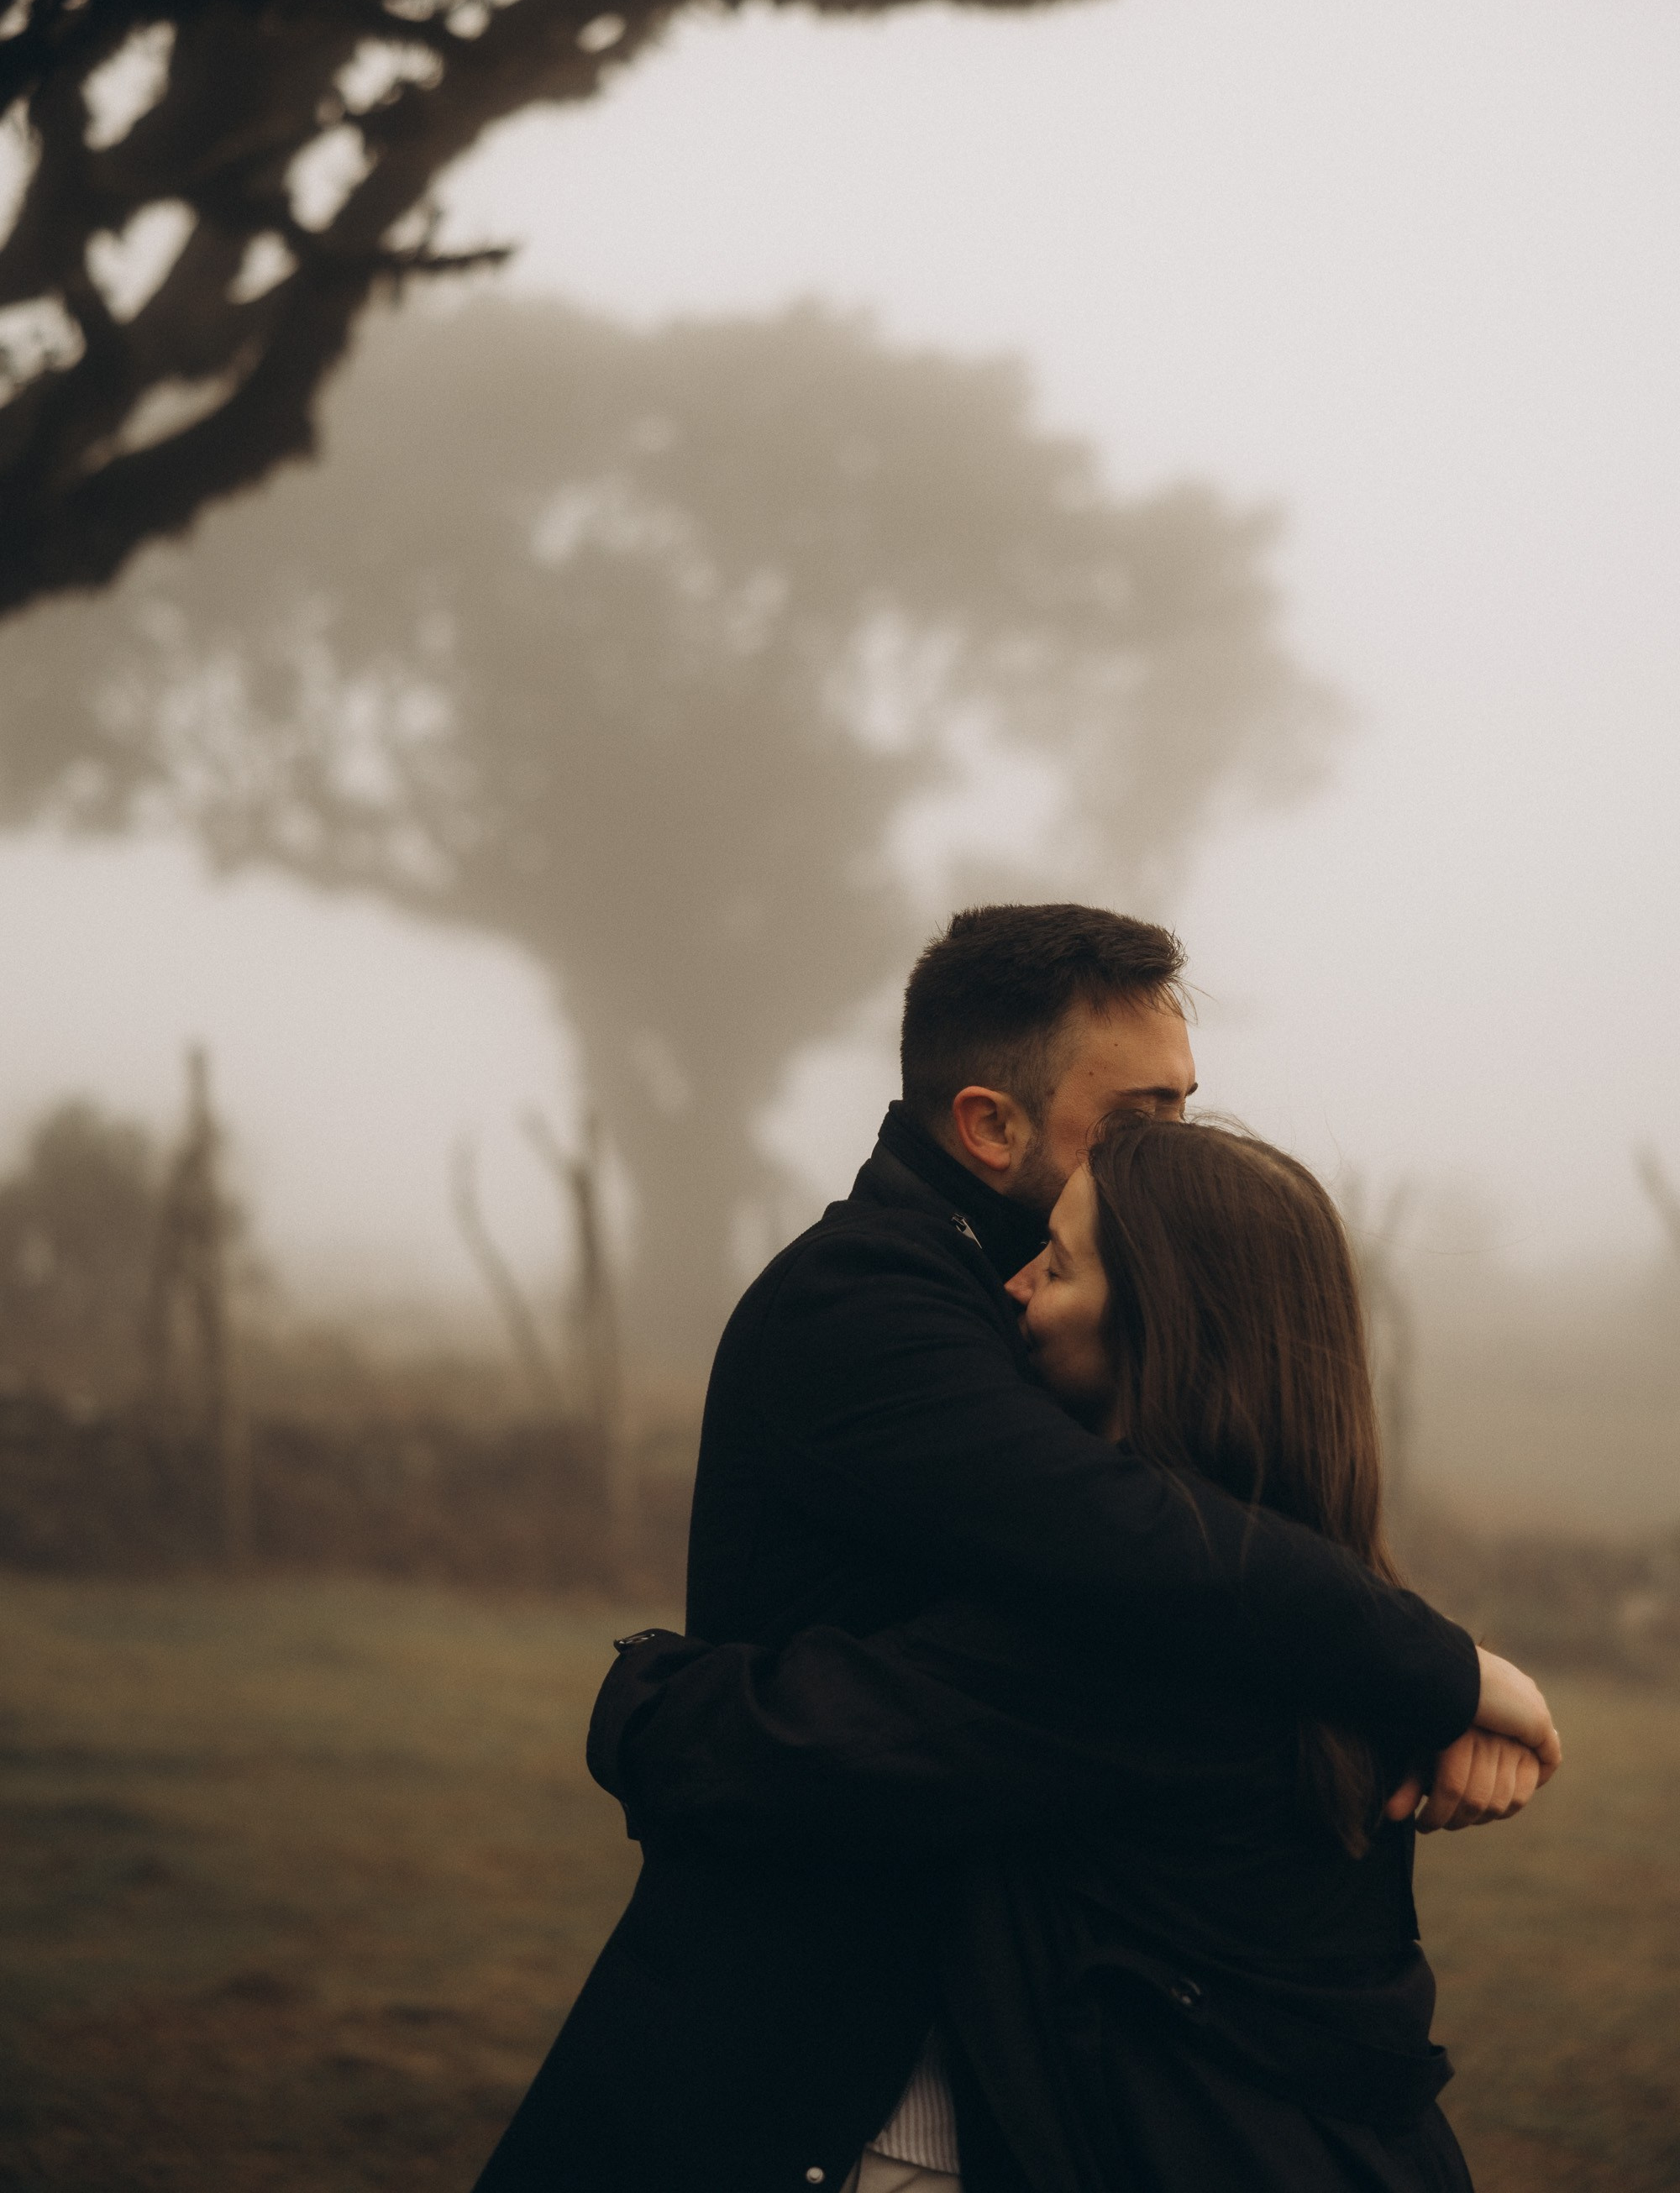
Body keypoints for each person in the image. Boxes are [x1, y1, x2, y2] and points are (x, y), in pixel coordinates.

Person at [472, 905, 1556, 2193]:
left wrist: (1398, 1673)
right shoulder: (869, 1305)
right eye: (1142, 1115)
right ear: (990, 1123)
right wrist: (1438, 1670)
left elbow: (1156, 1563)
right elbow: (1118, 1539)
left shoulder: (1114, 1433)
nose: (1178, 1148)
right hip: (832, 2042)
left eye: (1187, 1108)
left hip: (1038, 2069)